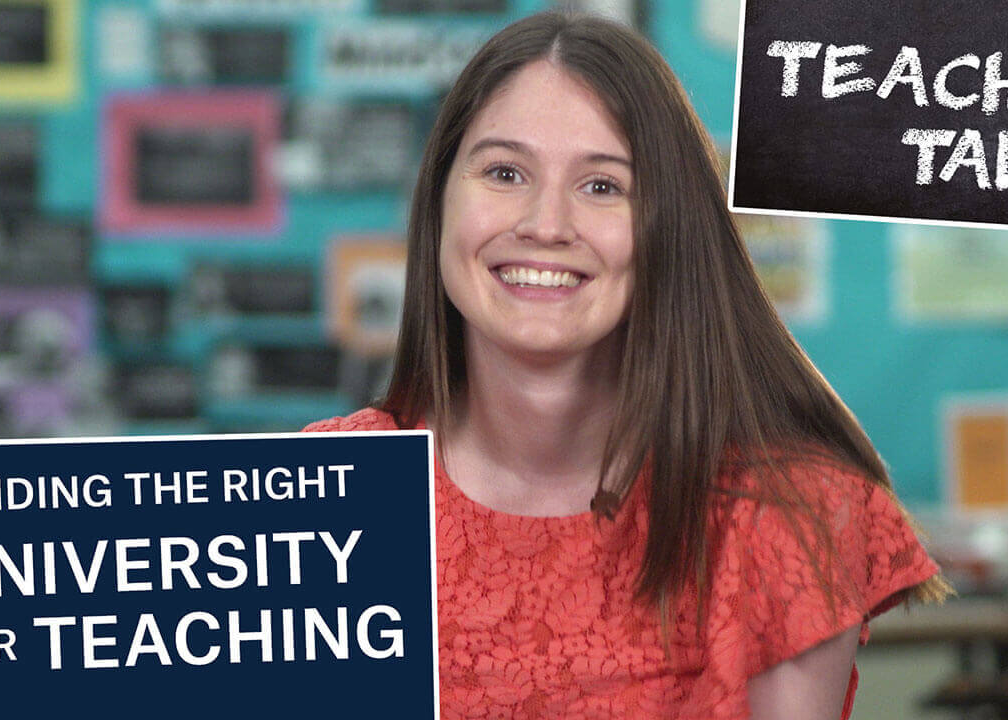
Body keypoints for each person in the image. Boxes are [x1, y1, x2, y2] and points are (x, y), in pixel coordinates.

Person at [306, 11, 950, 719]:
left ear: (668, 226)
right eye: (504, 172)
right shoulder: (323, 488)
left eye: (603, 186)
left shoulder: (784, 516)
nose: (546, 223)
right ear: (437, 201)